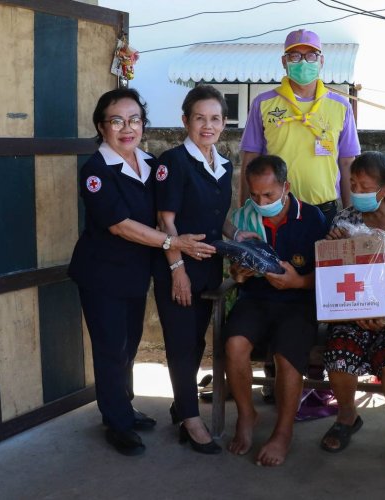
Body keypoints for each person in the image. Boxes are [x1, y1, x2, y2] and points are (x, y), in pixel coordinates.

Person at [68, 88, 215, 456]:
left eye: (134, 120)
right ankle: (116, 421)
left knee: (129, 346)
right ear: (102, 127)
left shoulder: (150, 164)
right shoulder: (96, 172)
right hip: (102, 275)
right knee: (111, 348)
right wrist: (173, 244)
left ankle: (124, 406)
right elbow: (121, 225)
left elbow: (169, 212)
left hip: (135, 273)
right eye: (116, 121)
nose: (127, 128)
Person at [319, 151, 385, 472]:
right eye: (352, 184)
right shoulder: (344, 221)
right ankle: (347, 417)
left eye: (364, 186)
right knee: (339, 350)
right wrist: (333, 245)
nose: (356, 191)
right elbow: (334, 275)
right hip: (352, 309)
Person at [223, 155, 327, 466]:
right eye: (254, 195)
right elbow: (236, 273)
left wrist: (296, 282)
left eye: (268, 195)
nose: (261, 201)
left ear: (286, 187)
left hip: (298, 303)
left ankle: (283, 432)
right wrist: (239, 274)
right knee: (234, 344)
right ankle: (246, 415)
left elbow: (326, 278)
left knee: (286, 355)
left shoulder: (313, 219)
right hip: (255, 300)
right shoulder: (243, 219)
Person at [153, 85, 235, 454]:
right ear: (185, 120)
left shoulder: (224, 164)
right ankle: (190, 419)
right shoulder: (173, 162)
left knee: (197, 340)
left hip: (211, 267)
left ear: (224, 122)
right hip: (179, 266)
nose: (207, 125)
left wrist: (236, 233)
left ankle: (179, 404)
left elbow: (218, 218)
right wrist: (178, 269)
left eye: (215, 118)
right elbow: (164, 221)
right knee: (181, 344)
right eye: (199, 118)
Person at [239, 28, 360, 227]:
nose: (303, 62)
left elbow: (347, 163)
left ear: (321, 61)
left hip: (326, 211)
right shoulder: (262, 104)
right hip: (276, 211)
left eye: (311, 55)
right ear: (284, 62)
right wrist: (244, 212)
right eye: (295, 56)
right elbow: (250, 160)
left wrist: (350, 216)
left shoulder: (341, 106)